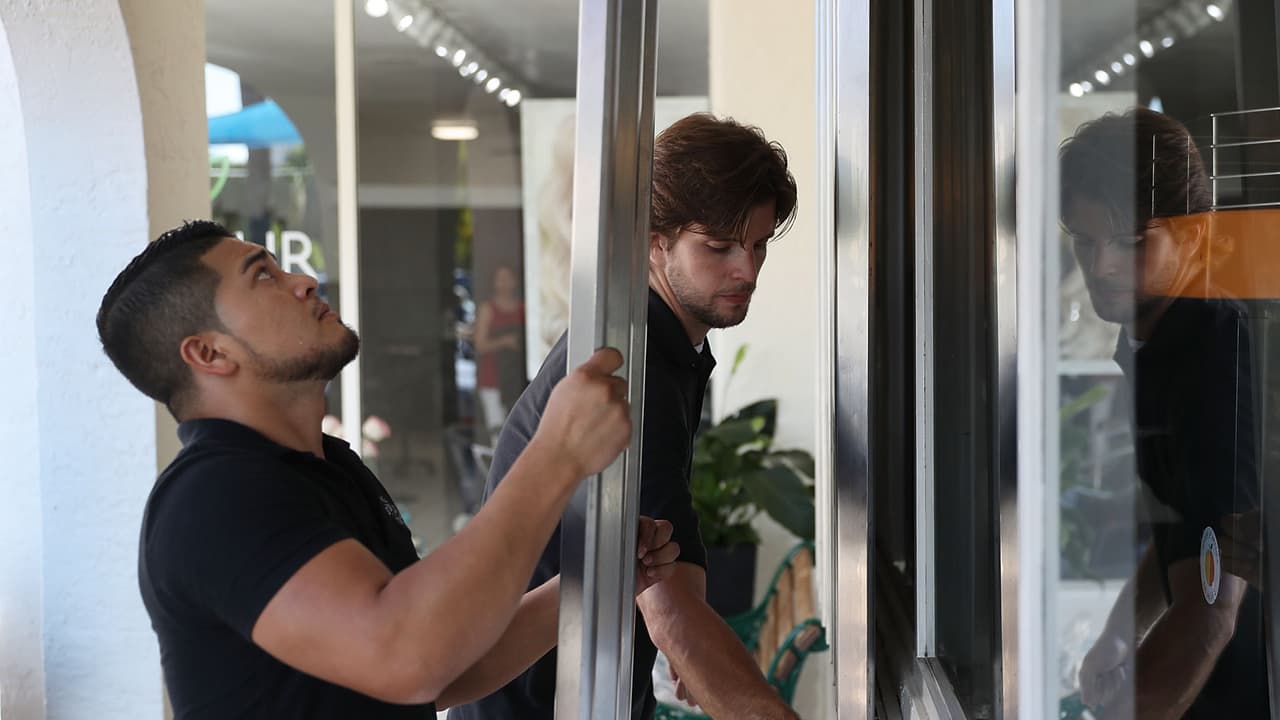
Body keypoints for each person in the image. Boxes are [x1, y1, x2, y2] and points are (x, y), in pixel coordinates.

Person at [96, 220, 683, 719]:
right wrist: (556, 454)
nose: (304, 281)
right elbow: (406, 657)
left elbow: (447, 664)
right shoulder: (211, 496)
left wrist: (590, 582)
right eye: (264, 277)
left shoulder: (330, 468)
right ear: (209, 353)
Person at [450, 113, 801, 720]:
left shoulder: (664, 346)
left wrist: (695, 642)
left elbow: (667, 549)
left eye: (758, 244)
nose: (747, 270)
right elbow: (669, 612)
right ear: (653, 241)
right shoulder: (633, 368)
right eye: (718, 247)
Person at [1061, 108, 1268, 719]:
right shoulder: (1146, 341)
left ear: (1195, 235)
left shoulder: (1216, 350)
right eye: (1084, 240)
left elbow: (1214, 605)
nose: (1101, 266)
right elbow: (1187, 526)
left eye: (1131, 242)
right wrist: (1120, 634)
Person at [474, 264, 527, 435]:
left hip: (517, 378)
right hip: (493, 378)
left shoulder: (524, 307)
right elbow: (480, 345)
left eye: (508, 278)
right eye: (500, 279)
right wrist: (504, 341)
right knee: (498, 432)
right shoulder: (488, 309)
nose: (504, 283)